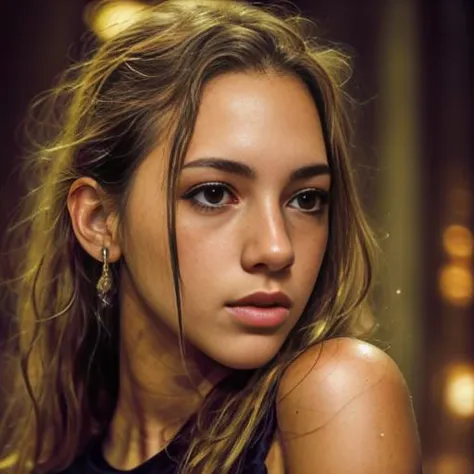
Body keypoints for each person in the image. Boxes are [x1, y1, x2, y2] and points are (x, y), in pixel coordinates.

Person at [0, 0, 421, 473]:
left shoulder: (337, 392)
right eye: (215, 193)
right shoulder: (37, 464)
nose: (276, 248)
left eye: (305, 199)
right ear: (99, 220)